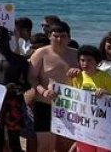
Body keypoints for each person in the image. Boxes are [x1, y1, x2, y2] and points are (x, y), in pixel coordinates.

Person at [29, 22, 79, 152]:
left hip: (68, 106)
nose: (59, 39)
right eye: (55, 36)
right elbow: (31, 77)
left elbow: (90, 75)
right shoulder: (41, 53)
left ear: (69, 37)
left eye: (63, 36)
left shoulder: (77, 55)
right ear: (50, 37)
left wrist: (79, 73)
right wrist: (42, 91)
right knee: (45, 146)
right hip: (44, 105)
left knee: (65, 146)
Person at [0, 27, 32, 152]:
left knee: (14, 139)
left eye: (2, 36)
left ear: (9, 37)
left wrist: (16, 87)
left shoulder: (20, 60)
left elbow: (27, 84)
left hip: (13, 103)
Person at [63, 45, 111, 152]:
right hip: (84, 124)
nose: (85, 63)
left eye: (89, 60)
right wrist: (68, 77)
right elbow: (70, 97)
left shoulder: (105, 76)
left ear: (97, 62)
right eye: (82, 60)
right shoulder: (77, 76)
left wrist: (106, 93)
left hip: (103, 126)